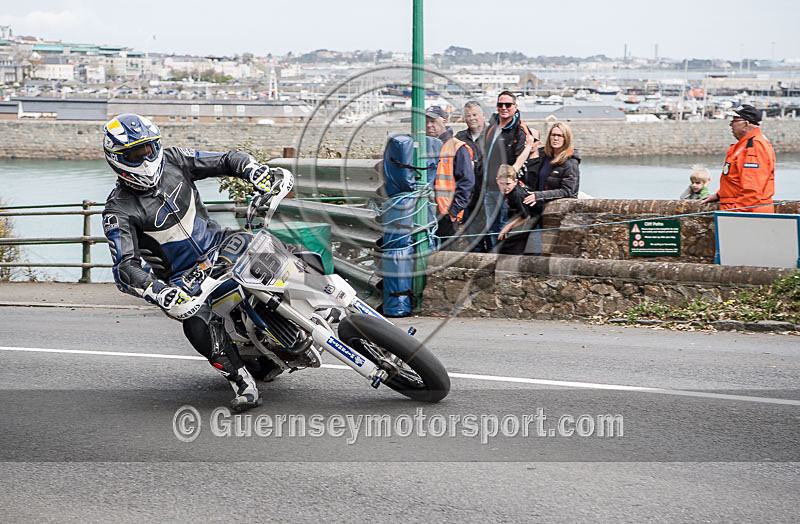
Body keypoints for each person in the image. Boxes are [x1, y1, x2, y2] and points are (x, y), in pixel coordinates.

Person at [101, 113, 276, 412]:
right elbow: (125, 268)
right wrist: (158, 291)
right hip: (186, 277)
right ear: (117, 158)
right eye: (134, 153)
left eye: (149, 149)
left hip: (221, 244)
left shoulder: (175, 159)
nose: (145, 158)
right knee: (195, 321)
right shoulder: (117, 210)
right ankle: (241, 379)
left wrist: (253, 170)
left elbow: (226, 160)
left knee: (274, 248)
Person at [701, 104, 775, 213]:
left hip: (748, 213)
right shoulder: (746, 145)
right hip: (742, 209)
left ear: (745, 124)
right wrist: (720, 194)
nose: (731, 124)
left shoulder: (753, 146)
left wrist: (734, 213)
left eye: (734, 121)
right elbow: (736, 180)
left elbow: (753, 189)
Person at [483, 91, 532, 251]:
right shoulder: (492, 125)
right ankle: (493, 259)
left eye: (508, 105)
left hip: (504, 188)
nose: (504, 108)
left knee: (503, 227)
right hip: (488, 185)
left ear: (515, 107)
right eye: (500, 104)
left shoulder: (519, 129)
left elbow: (519, 161)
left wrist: (507, 182)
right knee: (491, 227)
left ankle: (501, 262)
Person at [522, 122, 581, 254]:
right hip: (536, 211)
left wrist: (539, 195)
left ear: (566, 139)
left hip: (557, 215)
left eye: (560, 136)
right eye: (553, 135)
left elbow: (568, 191)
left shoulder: (570, 162)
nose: (555, 138)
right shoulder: (544, 155)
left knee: (542, 253)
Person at [425, 105, 475, 250]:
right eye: (426, 121)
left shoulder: (457, 147)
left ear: (444, 121)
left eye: (433, 121)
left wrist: (454, 211)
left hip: (445, 213)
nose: (429, 125)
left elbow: (467, 182)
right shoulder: (422, 146)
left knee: (446, 255)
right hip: (425, 211)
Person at [455, 101, 487, 250]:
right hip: (468, 196)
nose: (472, 118)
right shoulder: (459, 137)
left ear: (482, 116)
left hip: (488, 194)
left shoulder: (493, 136)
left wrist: (475, 165)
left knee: (493, 236)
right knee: (473, 239)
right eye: (468, 116)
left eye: (475, 115)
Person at [495, 164, 536, 255]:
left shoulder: (517, 195)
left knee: (509, 248)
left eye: (508, 184)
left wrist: (508, 227)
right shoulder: (510, 191)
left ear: (515, 181)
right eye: (502, 184)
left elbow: (526, 216)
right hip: (519, 215)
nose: (505, 187)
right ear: (497, 181)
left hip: (530, 218)